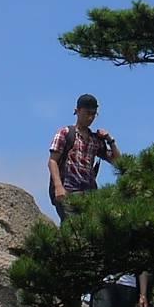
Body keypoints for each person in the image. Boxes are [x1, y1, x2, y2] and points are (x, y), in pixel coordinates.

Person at [47, 93, 120, 223]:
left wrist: (110, 140)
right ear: (78, 111)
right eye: (88, 113)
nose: (90, 117)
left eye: (94, 114)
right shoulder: (65, 133)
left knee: (93, 230)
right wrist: (58, 187)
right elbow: (52, 161)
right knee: (73, 227)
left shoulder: (94, 139)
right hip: (68, 192)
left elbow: (118, 162)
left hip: (90, 194)